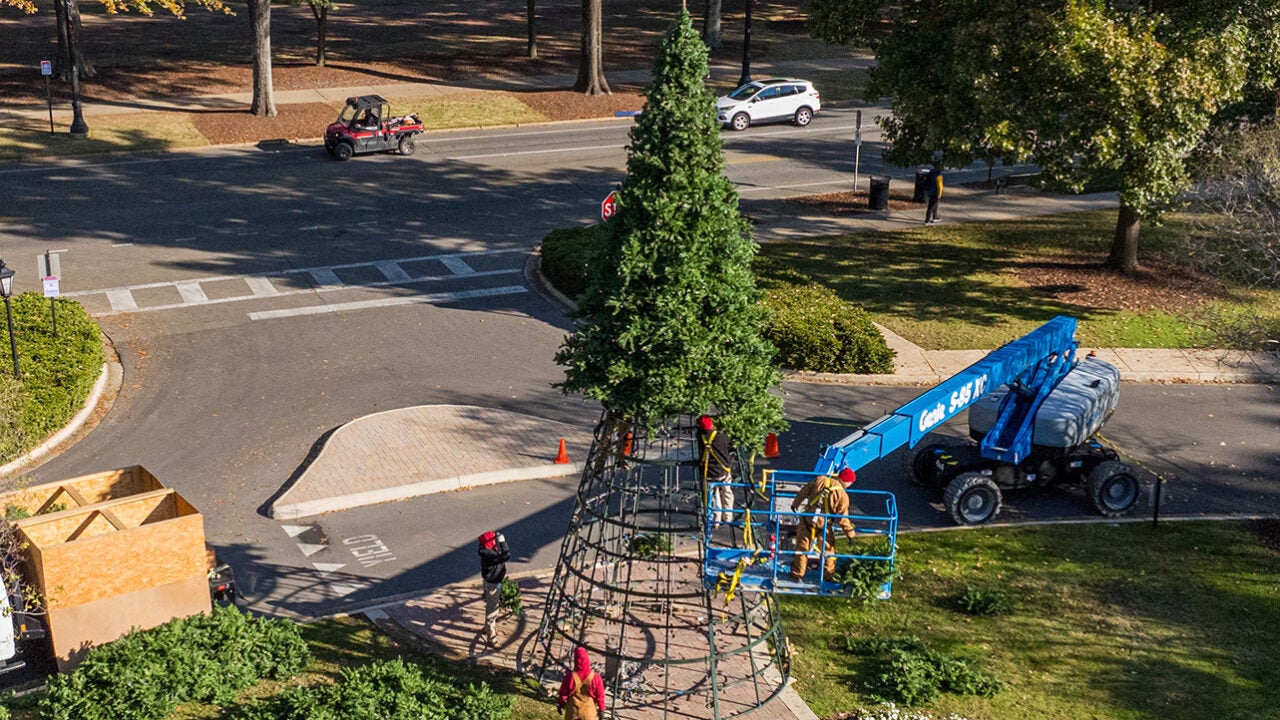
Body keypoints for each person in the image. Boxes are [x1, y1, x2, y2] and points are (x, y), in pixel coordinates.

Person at [787, 468, 858, 582]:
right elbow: (843, 519)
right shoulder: (842, 496)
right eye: (850, 482)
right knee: (828, 551)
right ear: (845, 480)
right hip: (824, 526)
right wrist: (850, 534)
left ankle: (797, 574)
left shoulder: (820, 480)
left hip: (807, 521)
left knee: (802, 548)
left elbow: (803, 492)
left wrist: (795, 504)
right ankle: (828, 576)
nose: (850, 484)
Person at [696, 414, 734, 528]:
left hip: (709, 473)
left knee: (713, 496)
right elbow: (731, 445)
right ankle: (728, 517)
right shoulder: (721, 436)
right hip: (723, 471)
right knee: (727, 493)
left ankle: (715, 520)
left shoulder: (700, 437)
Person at [477, 530, 510, 645]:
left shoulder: (486, 550)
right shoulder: (491, 554)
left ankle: (487, 628)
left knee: (490, 605)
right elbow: (506, 555)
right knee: (492, 609)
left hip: (490, 581)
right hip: (493, 584)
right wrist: (503, 542)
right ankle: (491, 637)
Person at [557, 646, 606, 720]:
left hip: (573, 712)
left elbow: (564, 692)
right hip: (589, 713)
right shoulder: (596, 677)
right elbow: (600, 696)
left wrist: (560, 703)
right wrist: (601, 710)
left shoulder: (570, 676)